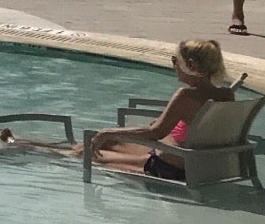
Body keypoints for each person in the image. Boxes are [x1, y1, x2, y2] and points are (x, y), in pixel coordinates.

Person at [76, 39, 238, 180]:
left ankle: (51, 153)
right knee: (108, 142)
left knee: (85, 152)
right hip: (204, 165)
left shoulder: (186, 96)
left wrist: (108, 131)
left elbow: (155, 132)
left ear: (190, 65)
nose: (174, 65)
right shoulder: (226, 94)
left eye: (176, 60)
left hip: (170, 168)